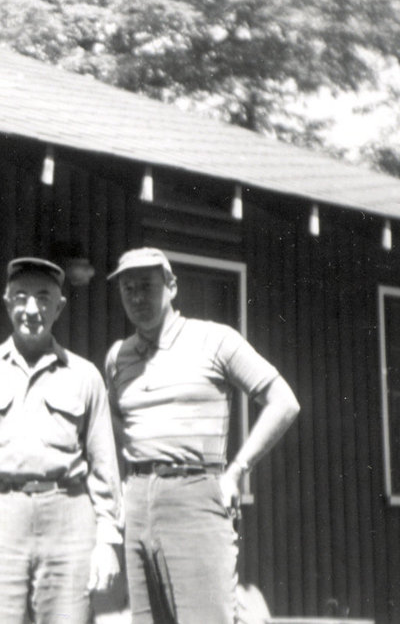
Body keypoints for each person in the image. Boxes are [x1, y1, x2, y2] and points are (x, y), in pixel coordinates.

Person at [105, 247, 300, 624]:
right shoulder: (119, 357)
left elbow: (284, 402)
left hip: (195, 492)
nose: (138, 297)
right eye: (128, 289)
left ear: (172, 286)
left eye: (147, 286)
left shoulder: (214, 340)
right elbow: (115, 420)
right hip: (138, 500)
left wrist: (238, 470)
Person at [0, 257, 122, 624]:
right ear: (7, 302)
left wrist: (107, 541)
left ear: (60, 307)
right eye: (21, 297)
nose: (31, 309)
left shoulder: (85, 376)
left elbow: (104, 468)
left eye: (43, 298)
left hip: (68, 515)